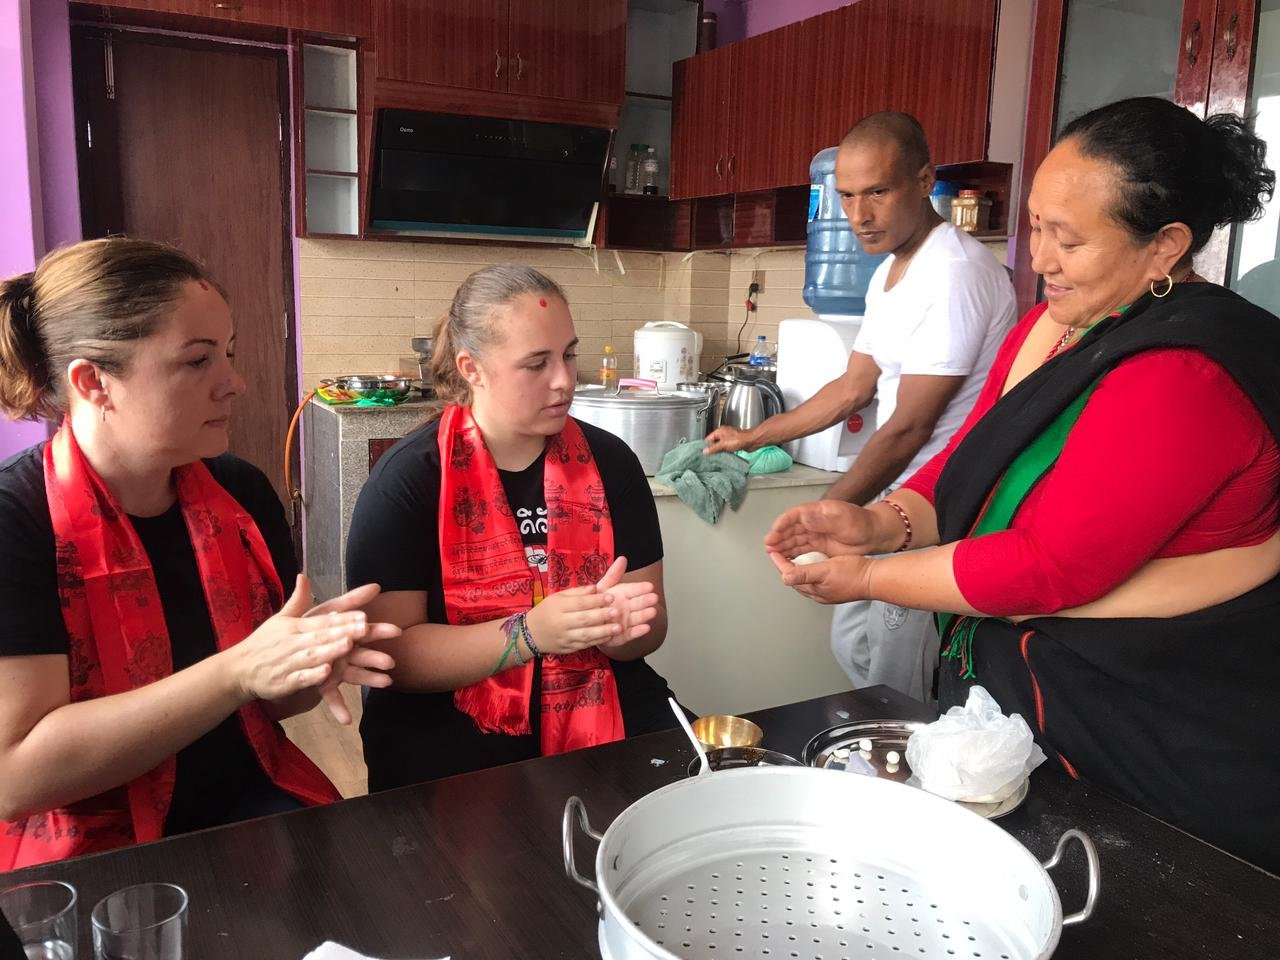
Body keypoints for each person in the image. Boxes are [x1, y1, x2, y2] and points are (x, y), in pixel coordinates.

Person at [766, 97, 1280, 872]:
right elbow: (973, 461)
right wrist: (882, 522)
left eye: (1066, 239)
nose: (1038, 258)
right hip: (1027, 721)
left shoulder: (1188, 372)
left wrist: (870, 577)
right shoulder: (1062, 326)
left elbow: (1049, 563)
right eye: (1036, 226)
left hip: (1147, 747)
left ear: (1165, 248)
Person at [0, 238, 399, 870]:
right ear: (93, 382)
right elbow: (15, 775)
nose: (234, 382)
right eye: (196, 361)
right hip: (81, 848)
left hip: (247, 803)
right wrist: (237, 669)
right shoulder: (17, 520)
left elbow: (270, 704)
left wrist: (304, 664)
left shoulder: (237, 491)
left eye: (230, 355)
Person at [705, 112, 1016, 701]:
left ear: (924, 181)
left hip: (935, 505)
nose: (858, 215)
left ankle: (904, 774)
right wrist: (757, 435)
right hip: (889, 498)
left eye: (877, 191)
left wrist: (827, 509)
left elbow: (910, 426)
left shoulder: (954, 274)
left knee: (900, 676)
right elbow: (853, 387)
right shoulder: (892, 272)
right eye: (845, 196)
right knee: (854, 645)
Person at [347, 264, 682, 790]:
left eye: (569, 354)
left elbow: (652, 627)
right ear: (472, 367)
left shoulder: (610, 464)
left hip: (601, 700)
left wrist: (621, 631)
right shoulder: (410, 481)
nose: (565, 380)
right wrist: (530, 634)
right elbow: (390, 654)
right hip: (450, 725)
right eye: (536, 364)